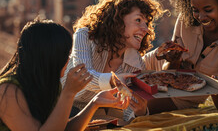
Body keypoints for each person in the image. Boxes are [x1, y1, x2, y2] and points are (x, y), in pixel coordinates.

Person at [0, 18, 130, 131]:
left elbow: (61, 128)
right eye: (65, 54)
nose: (68, 60)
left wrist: (94, 103)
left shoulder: (49, 83)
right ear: (49, 56)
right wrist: (68, 92)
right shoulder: (8, 90)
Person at [62, 0, 165, 121]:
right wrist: (112, 80)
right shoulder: (85, 36)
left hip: (97, 117)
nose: (145, 29)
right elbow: (83, 77)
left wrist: (141, 111)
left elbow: (128, 110)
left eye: (147, 23)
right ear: (118, 20)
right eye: (138, 20)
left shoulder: (136, 63)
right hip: (63, 107)